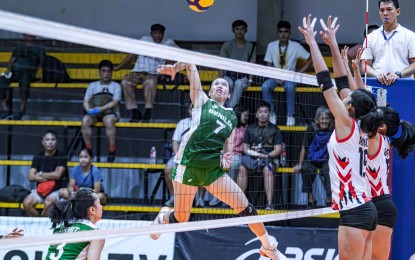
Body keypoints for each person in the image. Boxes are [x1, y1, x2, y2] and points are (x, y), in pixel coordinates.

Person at [154, 62, 286, 259]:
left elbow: (228, 146)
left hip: (212, 171)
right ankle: (163, 217)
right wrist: (175, 68)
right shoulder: (201, 101)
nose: (219, 86)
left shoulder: (231, 117)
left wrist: (226, 158)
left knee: (245, 207)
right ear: (209, 90)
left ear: (228, 94)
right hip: (187, 167)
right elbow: (191, 65)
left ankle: (268, 247)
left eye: (223, 85)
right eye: (216, 84)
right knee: (181, 218)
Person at [299, 15, 379, 259]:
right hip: (366, 208)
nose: (345, 97)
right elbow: (342, 80)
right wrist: (332, 44)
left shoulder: (345, 121)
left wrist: (312, 43)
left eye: (348, 99)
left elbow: (325, 81)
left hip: (355, 210)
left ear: (352, 107)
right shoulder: (364, 124)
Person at [348, 47, 415, 260]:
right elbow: (363, 98)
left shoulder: (375, 136)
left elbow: (359, 100)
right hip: (380, 204)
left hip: (376, 203)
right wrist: (357, 71)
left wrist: (352, 73)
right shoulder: (382, 136)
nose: (374, 111)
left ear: (383, 124)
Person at [114, 24, 179, 122]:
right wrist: (118, 68)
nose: (158, 36)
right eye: (156, 33)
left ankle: (148, 111)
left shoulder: (168, 43)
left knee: (150, 83)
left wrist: (167, 66)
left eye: (160, 33)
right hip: (136, 72)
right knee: (125, 82)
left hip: (152, 74)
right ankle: (134, 111)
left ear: (163, 34)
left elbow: (180, 55)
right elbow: (132, 56)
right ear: (151, 34)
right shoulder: (144, 40)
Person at [261, 21, 312, 126]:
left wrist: (298, 73)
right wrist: (274, 77)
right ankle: (271, 113)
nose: (283, 34)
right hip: (275, 77)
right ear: (277, 33)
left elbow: (310, 59)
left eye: (286, 31)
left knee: (289, 86)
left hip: (290, 77)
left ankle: (290, 115)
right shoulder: (271, 45)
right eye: (281, 31)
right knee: (265, 86)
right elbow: (268, 65)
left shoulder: (295, 46)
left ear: (289, 33)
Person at [238, 103, 283, 210]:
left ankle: (269, 203)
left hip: (269, 159)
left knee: (268, 170)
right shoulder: (250, 128)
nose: (263, 114)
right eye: (260, 112)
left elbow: (278, 150)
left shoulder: (275, 129)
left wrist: (265, 156)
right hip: (252, 158)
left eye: (265, 112)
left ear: (269, 114)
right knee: (241, 168)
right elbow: (245, 148)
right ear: (256, 114)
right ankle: (239, 202)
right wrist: (256, 154)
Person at [361, 0, 415, 86]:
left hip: (404, 85)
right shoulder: (370, 37)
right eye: (382, 10)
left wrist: (399, 74)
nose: (385, 13)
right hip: (378, 84)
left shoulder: (410, 36)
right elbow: (365, 65)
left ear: (398, 11)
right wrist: (377, 74)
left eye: (389, 9)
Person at [45, 188, 105, 260]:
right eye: (99, 203)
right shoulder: (95, 234)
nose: (101, 207)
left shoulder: (59, 228)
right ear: (92, 210)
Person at [82, 60, 121, 163]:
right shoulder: (92, 85)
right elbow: (86, 101)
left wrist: (100, 109)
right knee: (85, 120)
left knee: (108, 121)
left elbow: (115, 102)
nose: (106, 73)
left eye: (109, 71)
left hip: (110, 113)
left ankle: (112, 149)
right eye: (103, 71)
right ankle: (89, 149)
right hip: (94, 113)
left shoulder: (116, 86)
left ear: (112, 72)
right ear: (99, 72)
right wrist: (88, 110)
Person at [293, 107, 333, 208]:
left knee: (329, 170)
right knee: (306, 168)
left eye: (326, 118)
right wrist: (299, 164)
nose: (324, 121)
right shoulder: (311, 128)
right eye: (322, 118)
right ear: (317, 120)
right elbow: (304, 147)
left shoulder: (332, 129)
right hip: (312, 158)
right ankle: (310, 197)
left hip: (326, 159)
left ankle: (329, 197)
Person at [210, 108, 250, 207]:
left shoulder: (246, 128)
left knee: (234, 163)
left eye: (248, 116)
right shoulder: (226, 127)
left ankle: (229, 197)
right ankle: (219, 196)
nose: (246, 118)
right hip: (225, 153)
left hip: (238, 155)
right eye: (245, 115)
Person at [23, 130, 68, 217]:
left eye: (53, 139)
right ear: (43, 142)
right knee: (26, 203)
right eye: (47, 140)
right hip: (40, 191)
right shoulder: (38, 157)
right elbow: (31, 177)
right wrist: (51, 175)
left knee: (48, 204)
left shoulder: (61, 156)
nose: (50, 142)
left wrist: (40, 174)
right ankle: (38, 223)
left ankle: (43, 226)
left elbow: (57, 175)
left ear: (56, 141)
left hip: (55, 191)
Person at [0, 34, 46, 120]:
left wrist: (42, 77)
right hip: (15, 72)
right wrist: (8, 72)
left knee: (24, 80)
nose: (29, 36)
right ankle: (4, 106)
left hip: (28, 73)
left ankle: (22, 108)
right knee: (2, 79)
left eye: (31, 34)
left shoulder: (39, 49)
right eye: (27, 34)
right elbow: (11, 61)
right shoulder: (19, 46)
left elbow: (43, 65)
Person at [219, 20, 256, 109]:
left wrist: (250, 81)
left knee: (239, 84)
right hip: (229, 75)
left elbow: (252, 65)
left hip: (243, 77)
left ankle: (229, 108)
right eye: (237, 29)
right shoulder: (227, 45)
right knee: (228, 83)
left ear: (246, 31)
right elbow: (221, 64)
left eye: (242, 29)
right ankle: (227, 107)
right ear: (233, 30)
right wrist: (220, 79)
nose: (239, 31)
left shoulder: (251, 46)